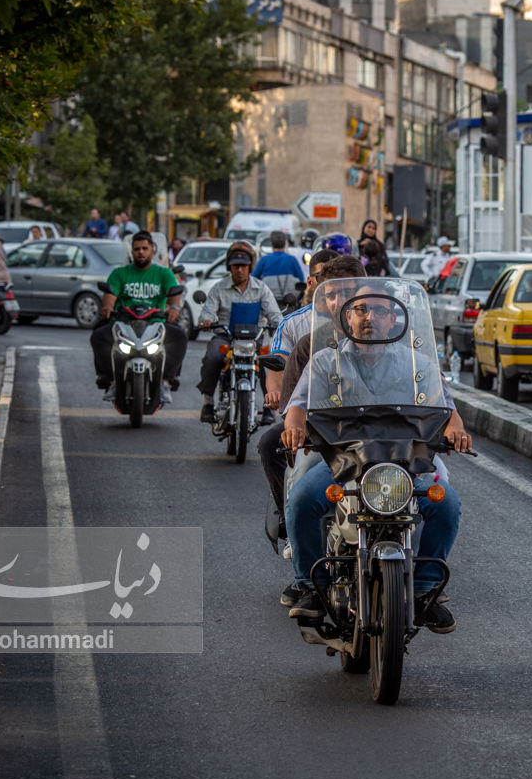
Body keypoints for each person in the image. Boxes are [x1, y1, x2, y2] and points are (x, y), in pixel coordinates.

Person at [280, 277, 471, 632]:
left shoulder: (418, 363)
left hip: (406, 460)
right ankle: (310, 585)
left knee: (446, 504)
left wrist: (455, 428)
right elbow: (297, 407)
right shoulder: (325, 362)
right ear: (347, 317)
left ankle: (424, 589)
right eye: (361, 309)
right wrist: (293, 426)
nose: (370, 317)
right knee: (302, 499)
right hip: (344, 462)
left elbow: (446, 407)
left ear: (393, 319)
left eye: (381, 311)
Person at [256, 251, 353, 577]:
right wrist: (285, 406)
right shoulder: (304, 332)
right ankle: (303, 565)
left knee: (436, 492)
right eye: (330, 284)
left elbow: (426, 382)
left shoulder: (387, 328)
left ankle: (423, 580)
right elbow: (285, 373)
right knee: (276, 447)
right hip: (318, 425)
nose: (338, 296)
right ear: (315, 283)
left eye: (347, 288)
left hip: (376, 434)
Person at [89, 231, 187, 403]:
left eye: (144, 248)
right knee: (98, 336)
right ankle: (110, 379)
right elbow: (110, 296)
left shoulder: (163, 273)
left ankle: (165, 381)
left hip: (155, 322)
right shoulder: (120, 273)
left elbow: (174, 293)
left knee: (179, 336)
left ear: (152, 251)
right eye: (137, 249)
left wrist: (173, 308)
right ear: (131, 252)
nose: (141, 252)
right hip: (124, 321)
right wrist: (107, 307)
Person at [196, 241, 283, 423]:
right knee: (212, 357)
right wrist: (206, 321)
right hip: (226, 338)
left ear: (250, 266)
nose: (240, 270)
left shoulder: (262, 289)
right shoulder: (219, 288)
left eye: (243, 266)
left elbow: (275, 315)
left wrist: (282, 326)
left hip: (255, 340)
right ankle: (208, 403)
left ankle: (269, 408)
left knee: (269, 364)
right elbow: (208, 312)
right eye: (236, 266)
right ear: (230, 267)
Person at [252, 230, 305, 304]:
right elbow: (301, 280)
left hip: (268, 303)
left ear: (271, 244)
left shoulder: (264, 260)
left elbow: (253, 280)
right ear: (285, 244)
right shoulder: (292, 259)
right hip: (288, 304)